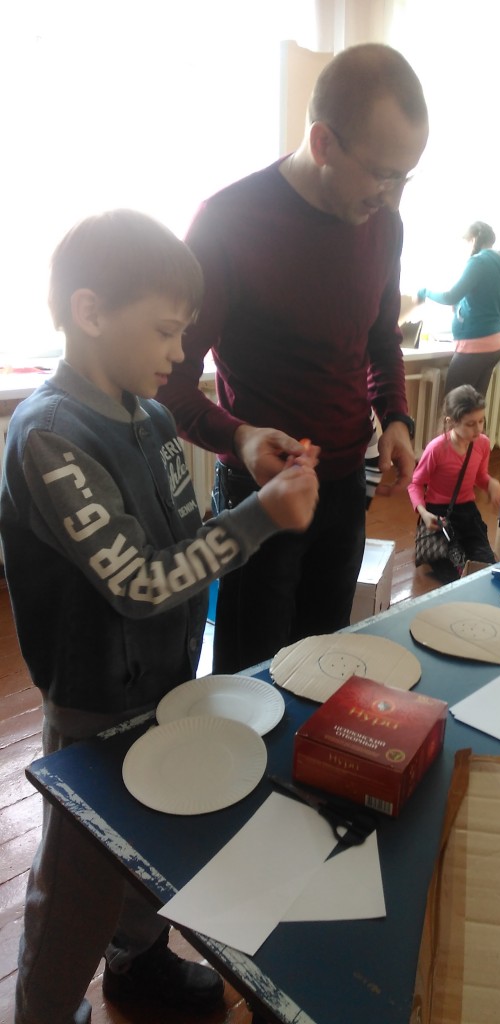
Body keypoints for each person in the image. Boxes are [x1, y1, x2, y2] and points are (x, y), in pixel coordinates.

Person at [0, 210, 319, 1024]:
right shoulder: (48, 436)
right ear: (90, 312)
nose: (182, 355)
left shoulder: (150, 417)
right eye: (167, 332)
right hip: (92, 703)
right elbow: (140, 582)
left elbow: (183, 538)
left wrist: (250, 478)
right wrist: (260, 517)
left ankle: (137, 964)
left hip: (167, 680)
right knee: (78, 878)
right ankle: (42, 1009)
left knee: (150, 840)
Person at [158, 43, 429, 674]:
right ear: (323, 142)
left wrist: (395, 417)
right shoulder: (228, 222)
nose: (392, 197)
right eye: (382, 174)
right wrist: (240, 436)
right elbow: (168, 382)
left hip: (347, 487)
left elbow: (380, 338)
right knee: (249, 677)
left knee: (322, 662)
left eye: (406, 178)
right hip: (260, 493)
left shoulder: (385, 225)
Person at [408, 384, 500, 582]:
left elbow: (480, 476)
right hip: (438, 514)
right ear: (451, 422)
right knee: (455, 573)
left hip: (467, 511)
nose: (478, 429)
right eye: (470, 424)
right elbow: (415, 484)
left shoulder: (483, 444)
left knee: (484, 566)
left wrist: (491, 483)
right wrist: (424, 514)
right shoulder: (436, 448)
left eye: (481, 421)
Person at [416, 221, 500, 396]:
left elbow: (450, 296)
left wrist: (424, 292)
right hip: (495, 345)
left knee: (453, 404)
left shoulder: (479, 262)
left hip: (475, 347)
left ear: (473, 240)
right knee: (474, 405)